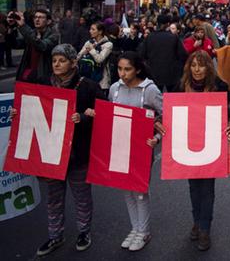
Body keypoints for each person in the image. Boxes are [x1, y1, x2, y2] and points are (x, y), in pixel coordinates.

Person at [11, 44, 102, 256]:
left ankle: (84, 232)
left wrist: (86, 117)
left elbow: (101, 114)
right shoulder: (42, 84)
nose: (57, 64)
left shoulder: (88, 86)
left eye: (62, 60)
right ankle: (55, 236)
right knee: (53, 198)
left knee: (82, 196)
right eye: (54, 61)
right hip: (50, 154)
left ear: (73, 62)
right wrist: (18, 113)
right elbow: (31, 110)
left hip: (77, 154)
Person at [174, 51, 230, 251]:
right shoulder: (180, 87)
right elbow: (169, 111)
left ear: (208, 67)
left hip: (211, 145)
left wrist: (229, 123)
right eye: (193, 65)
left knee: (207, 189)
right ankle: (196, 221)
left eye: (201, 65)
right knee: (193, 187)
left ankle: (205, 228)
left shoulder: (220, 87)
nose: (197, 69)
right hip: (188, 145)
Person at [108, 52, 164, 251]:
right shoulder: (114, 88)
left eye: (127, 69)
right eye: (120, 68)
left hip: (141, 147)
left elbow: (165, 117)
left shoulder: (149, 90)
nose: (122, 73)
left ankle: (144, 231)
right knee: (126, 188)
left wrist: (156, 139)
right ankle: (135, 228)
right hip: (120, 146)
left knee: (140, 190)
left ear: (137, 69)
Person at [138, 15, 188, 91]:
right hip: (171, 73)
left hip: (154, 72)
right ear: (168, 24)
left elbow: (142, 54)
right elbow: (183, 55)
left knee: (155, 97)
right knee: (172, 98)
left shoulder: (150, 37)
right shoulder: (173, 37)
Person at [16, 8, 59, 81]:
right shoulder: (32, 33)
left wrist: (23, 26)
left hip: (43, 76)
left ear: (48, 21)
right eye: (35, 17)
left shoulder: (53, 35)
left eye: (41, 17)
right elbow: (16, 44)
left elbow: (42, 46)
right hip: (29, 75)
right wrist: (9, 28)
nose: (37, 19)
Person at [77, 21, 113, 90]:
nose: (90, 31)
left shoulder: (108, 44)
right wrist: (85, 51)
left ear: (100, 32)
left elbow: (100, 59)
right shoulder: (89, 42)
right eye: (90, 29)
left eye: (93, 29)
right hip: (88, 77)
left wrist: (92, 50)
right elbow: (78, 57)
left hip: (102, 81)